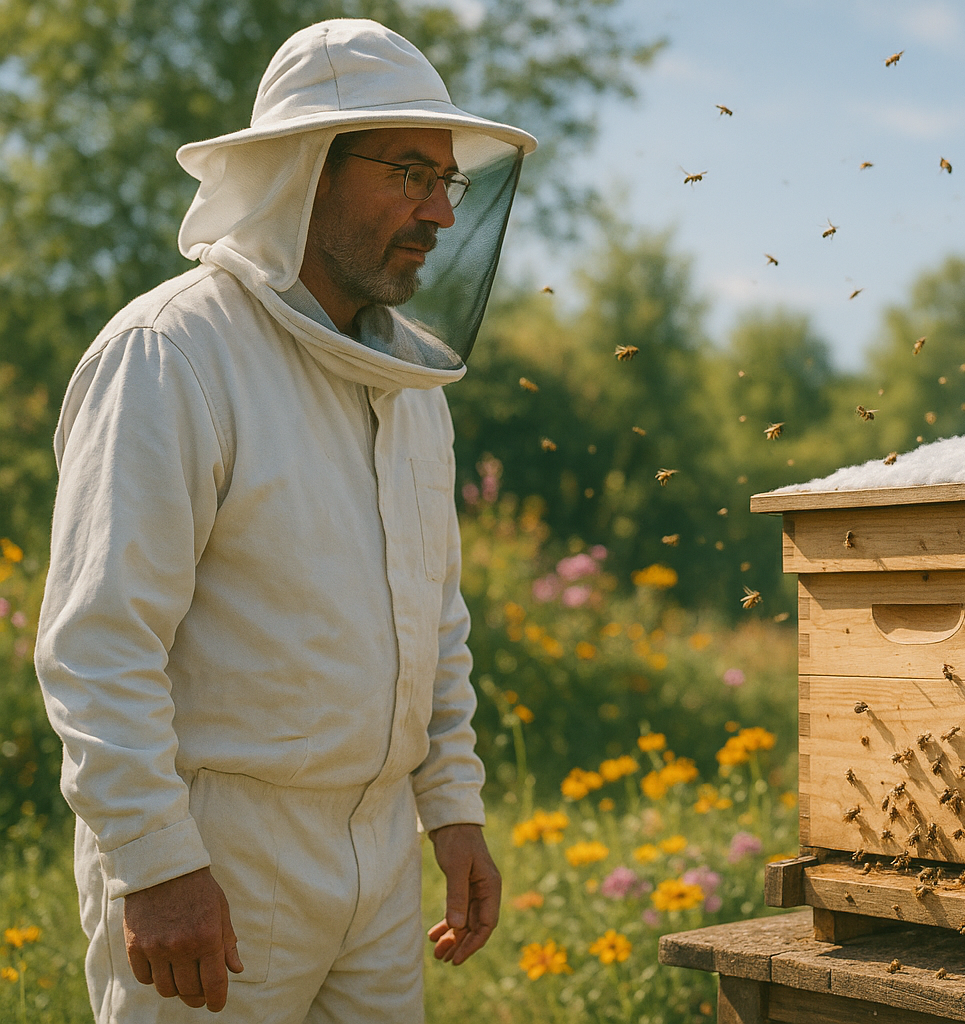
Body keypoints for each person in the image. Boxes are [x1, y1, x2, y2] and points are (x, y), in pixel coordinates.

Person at [34, 19, 536, 1022]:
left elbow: (434, 620)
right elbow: (99, 642)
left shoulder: (413, 390)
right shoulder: (173, 355)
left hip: (381, 856)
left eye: (448, 181)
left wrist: (453, 806)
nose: (439, 209)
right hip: (215, 855)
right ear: (305, 169)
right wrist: (157, 861)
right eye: (408, 171)